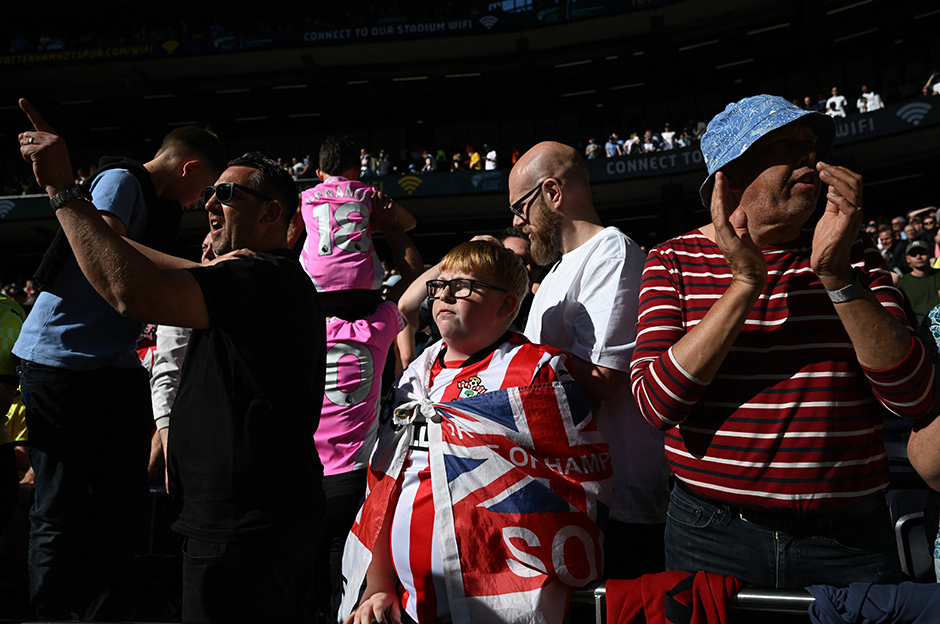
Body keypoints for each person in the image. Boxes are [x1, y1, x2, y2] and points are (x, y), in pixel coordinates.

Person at [18, 98, 326, 622]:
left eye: (225, 194)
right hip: (230, 522)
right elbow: (135, 259)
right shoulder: (252, 277)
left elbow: (130, 289)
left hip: (244, 530)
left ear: (273, 213)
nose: (207, 203)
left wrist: (64, 191)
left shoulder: (262, 277)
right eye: (208, 192)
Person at [629, 94, 935, 588]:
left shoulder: (851, 250)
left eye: (810, 146)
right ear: (729, 173)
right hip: (711, 534)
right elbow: (656, 405)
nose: (810, 160)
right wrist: (745, 285)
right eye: (785, 146)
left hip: (848, 541)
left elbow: (912, 396)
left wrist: (836, 275)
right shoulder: (672, 259)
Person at [13, 105, 225, 620]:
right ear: (189, 168)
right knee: (59, 505)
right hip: (60, 364)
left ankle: (101, 610)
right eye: (206, 187)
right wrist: (206, 274)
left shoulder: (157, 202)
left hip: (111, 365)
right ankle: (46, 614)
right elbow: (104, 248)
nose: (203, 203)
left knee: (122, 501)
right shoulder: (120, 181)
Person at [340, 240, 610, 624]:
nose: (444, 294)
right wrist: (379, 581)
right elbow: (384, 484)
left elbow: (579, 484)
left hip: (503, 605)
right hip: (407, 605)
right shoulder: (414, 379)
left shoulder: (538, 372)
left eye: (463, 286)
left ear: (506, 306)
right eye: (438, 286)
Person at [509, 141, 670, 580]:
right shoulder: (558, 270)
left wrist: (510, 351)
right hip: (567, 492)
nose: (516, 221)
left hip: (619, 504)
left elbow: (601, 381)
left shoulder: (613, 253)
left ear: (553, 193)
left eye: (520, 206)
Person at [897, 240, 940, 328]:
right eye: (914, 254)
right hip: (918, 329)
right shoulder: (902, 283)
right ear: (907, 258)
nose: (918, 257)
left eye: (922, 253)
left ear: (930, 254)